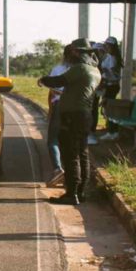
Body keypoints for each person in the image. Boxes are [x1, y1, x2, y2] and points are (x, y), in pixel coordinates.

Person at [39, 38, 101, 205]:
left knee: (70, 155)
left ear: (80, 52)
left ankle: (71, 194)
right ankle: (80, 192)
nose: (71, 54)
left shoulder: (80, 69)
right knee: (82, 153)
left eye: (74, 51)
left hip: (72, 116)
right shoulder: (95, 70)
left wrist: (43, 80)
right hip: (85, 116)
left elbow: (58, 81)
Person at [45, 45, 73, 186]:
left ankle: (57, 169)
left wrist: (50, 110)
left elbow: (52, 91)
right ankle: (70, 175)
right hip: (76, 109)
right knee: (70, 141)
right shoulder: (82, 70)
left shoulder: (57, 69)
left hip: (59, 107)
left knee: (53, 140)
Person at [98, 36, 123, 141]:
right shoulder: (108, 56)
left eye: (108, 45)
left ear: (112, 46)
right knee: (107, 109)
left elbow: (112, 73)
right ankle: (110, 130)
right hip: (107, 85)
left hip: (112, 86)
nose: (106, 46)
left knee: (109, 108)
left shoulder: (114, 58)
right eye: (106, 44)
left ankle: (113, 131)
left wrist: (103, 71)